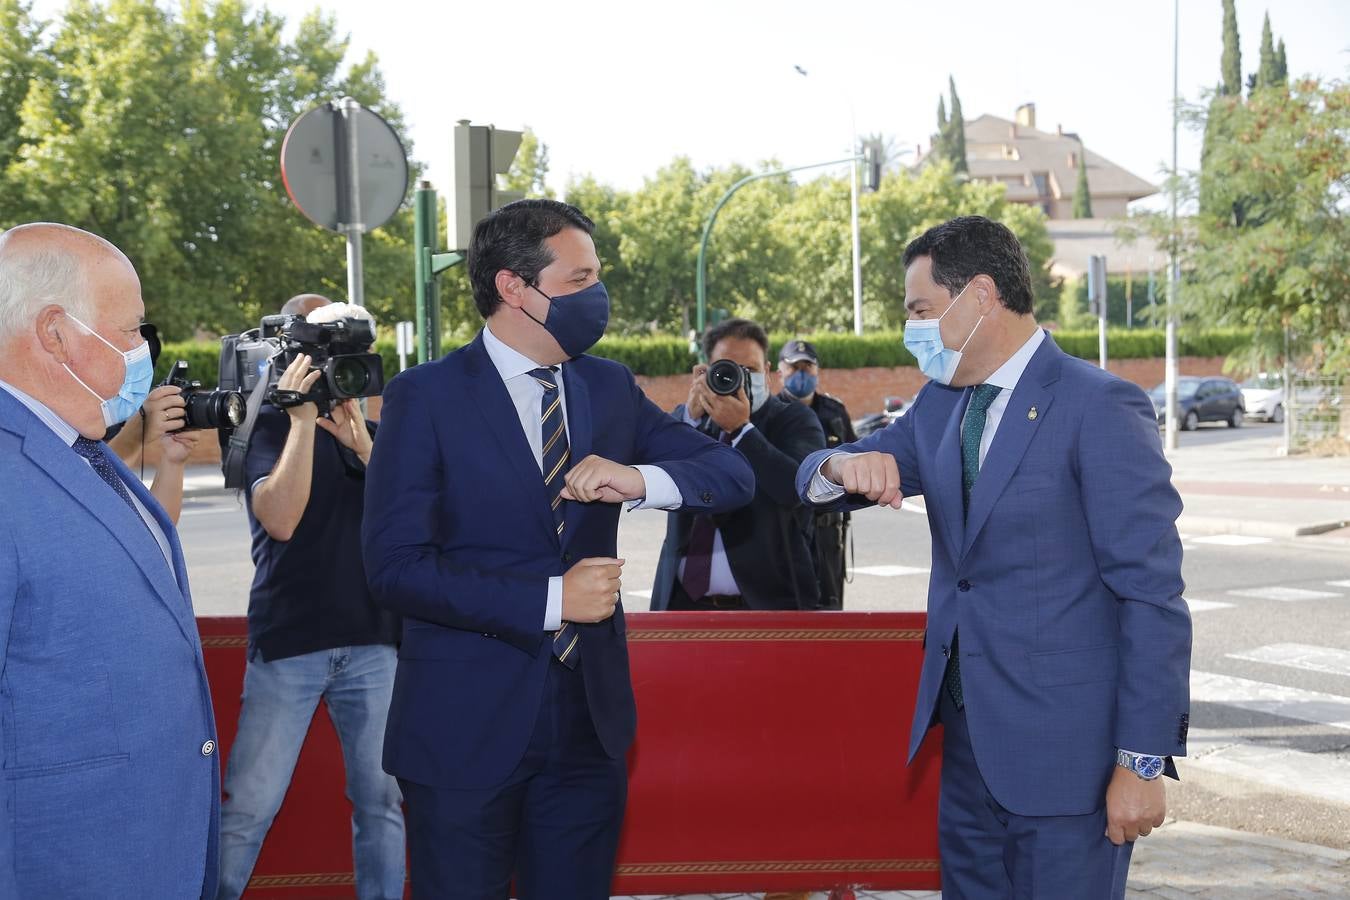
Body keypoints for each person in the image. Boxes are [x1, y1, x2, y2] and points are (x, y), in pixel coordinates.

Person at [362, 198, 754, 899]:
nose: (595, 297)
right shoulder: (425, 397)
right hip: (462, 732)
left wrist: (636, 478)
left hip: (587, 728)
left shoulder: (607, 386)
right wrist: (552, 600)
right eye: (579, 281)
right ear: (516, 287)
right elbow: (395, 569)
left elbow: (732, 475)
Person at [796, 216, 1191, 899]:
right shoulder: (941, 407)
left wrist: (1142, 762)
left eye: (921, 310)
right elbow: (816, 478)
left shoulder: (1098, 405)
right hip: (969, 751)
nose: (913, 329)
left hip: (1071, 766)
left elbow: (1151, 596)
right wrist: (839, 465)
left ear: (979, 295)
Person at [0, 222, 219, 897]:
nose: (141, 351)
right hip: (72, 864)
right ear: (55, 333)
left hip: (156, 850)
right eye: (130, 331)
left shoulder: (85, 444)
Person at [216, 298, 405, 900]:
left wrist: (365, 445)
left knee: (382, 803)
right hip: (291, 642)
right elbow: (280, 519)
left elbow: (415, 519)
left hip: (374, 641)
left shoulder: (374, 437)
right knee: (250, 803)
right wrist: (300, 423)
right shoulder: (262, 429)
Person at [650, 318, 825, 611]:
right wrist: (690, 418)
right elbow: (654, 477)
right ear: (706, 371)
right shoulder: (688, 423)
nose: (740, 379)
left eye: (751, 370)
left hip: (766, 605)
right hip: (682, 605)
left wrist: (742, 430)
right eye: (729, 368)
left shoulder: (795, 420)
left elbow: (797, 489)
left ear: (767, 372)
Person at [777, 338, 856, 609]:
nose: (801, 373)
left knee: (829, 611)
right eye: (793, 367)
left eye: (807, 367)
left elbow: (854, 458)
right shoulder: (771, 414)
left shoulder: (834, 413)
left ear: (817, 370)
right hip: (783, 531)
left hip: (827, 533)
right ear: (780, 371)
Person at [105, 323, 199, 523]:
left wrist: (173, 460)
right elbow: (86, 488)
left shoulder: (112, 418)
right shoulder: (57, 419)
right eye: (129, 331)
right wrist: (133, 436)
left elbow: (158, 526)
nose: (140, 344)